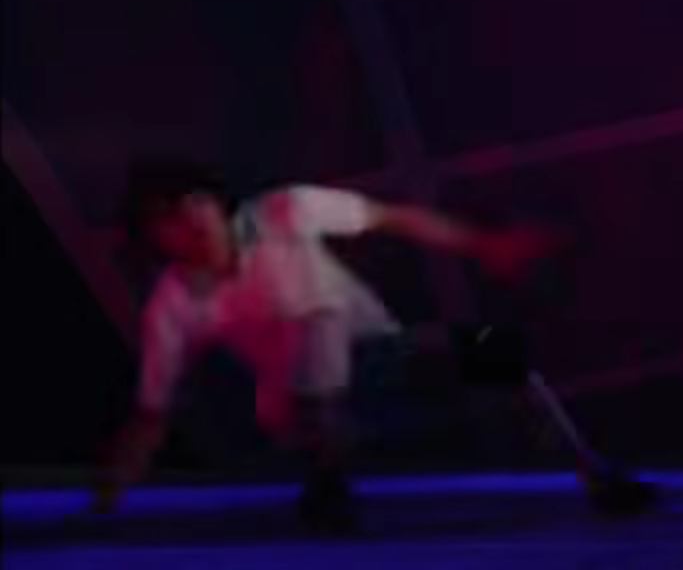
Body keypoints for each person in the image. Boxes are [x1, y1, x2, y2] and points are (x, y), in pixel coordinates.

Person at [94, 161, 612, 530]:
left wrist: (485, 244)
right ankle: (329, 483)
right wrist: (112, 491)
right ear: (155, 238)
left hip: (381, 358)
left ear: (213, 200)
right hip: (298, 404)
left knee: (500, 353)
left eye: (194, 202)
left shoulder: (286, 210)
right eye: (168, 218)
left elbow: (392, 217)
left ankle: (598, 475)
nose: (191, 221)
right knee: (315, 320)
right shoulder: (174, 303)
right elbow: (152, 410)